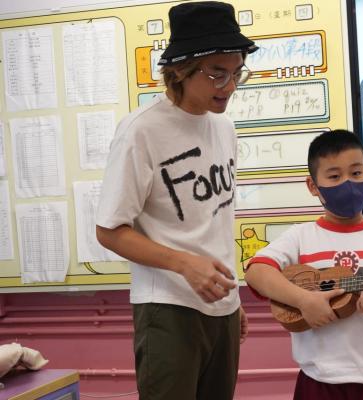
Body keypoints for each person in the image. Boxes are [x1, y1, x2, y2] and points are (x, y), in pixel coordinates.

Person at [95, 2, 258, 399]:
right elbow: (109, 231)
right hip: (167, 307)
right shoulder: (141, 131)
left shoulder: (224, 127)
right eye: (217, 73)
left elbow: (213, 222)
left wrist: (233, 299)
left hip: (221, 306)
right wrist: (185, 264)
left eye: (237, 72)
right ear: (181, 70)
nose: (229, 86)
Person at [244, 130, 363, 399]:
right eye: (334, 176)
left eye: (356, 173)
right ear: (313, 186)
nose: (348, 183)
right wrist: (304, 300)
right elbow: (256, 271)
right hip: (320, 382)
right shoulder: (300, 237)